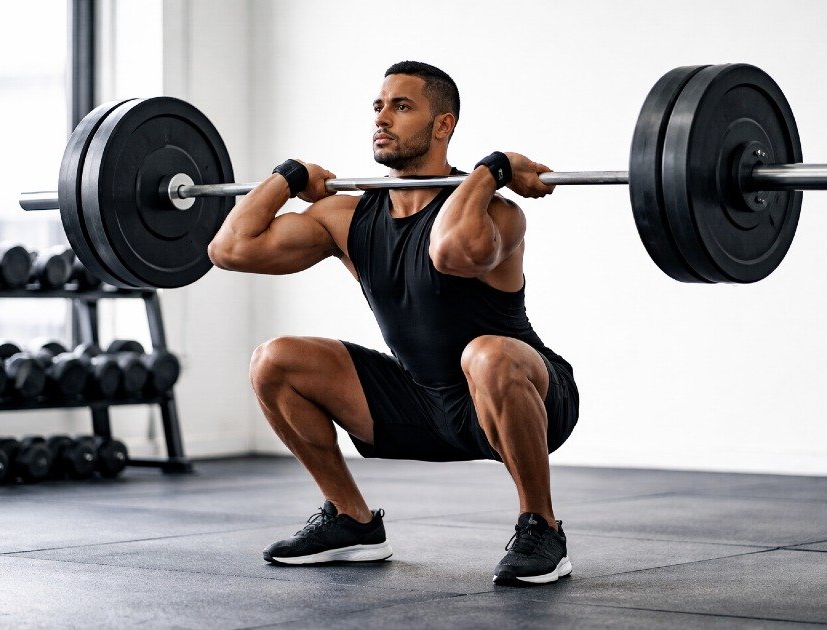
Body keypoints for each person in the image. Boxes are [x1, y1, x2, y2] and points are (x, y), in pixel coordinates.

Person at [208, 60, 579, 585]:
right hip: (421, 402)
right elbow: (229, 248)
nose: (382, 118)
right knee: (275, 362)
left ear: (443, 125)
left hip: (525, 396)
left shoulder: (498, 214)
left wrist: (489, 170)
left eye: (402, 107)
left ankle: (541, 527)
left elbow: (452, 251)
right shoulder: (347, 217)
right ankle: (351, 520)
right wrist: (286, 175)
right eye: (378, 107)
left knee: (487, 353)